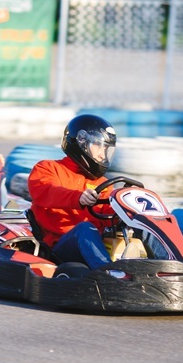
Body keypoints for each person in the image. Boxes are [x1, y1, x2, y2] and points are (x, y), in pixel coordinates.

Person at [27, 114, 119, 269]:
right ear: (82, 143)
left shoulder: (103, 184)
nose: (103, 154)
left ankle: (167, 268)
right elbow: (47, 192)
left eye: (106, 149)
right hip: (59, 247)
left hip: (95, 244)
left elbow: (106, 215)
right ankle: (108, 274)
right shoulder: (47, 168)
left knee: (147, 222)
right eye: (99, 146)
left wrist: (127, 212)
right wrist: (78, 198)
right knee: (85, 228)